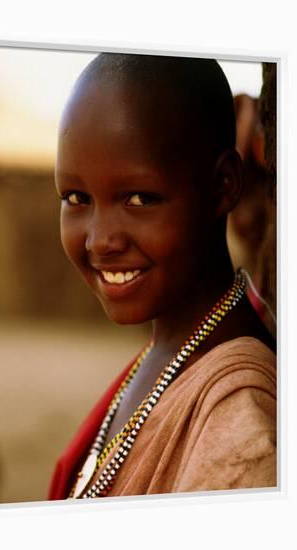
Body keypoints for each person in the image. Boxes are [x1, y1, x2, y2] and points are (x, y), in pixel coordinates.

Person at [49, 53, 276, 500]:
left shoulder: (239, 428)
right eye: (77, 197)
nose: (99, 240)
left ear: (223, 185)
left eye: (139, 198)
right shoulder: (169, 349)